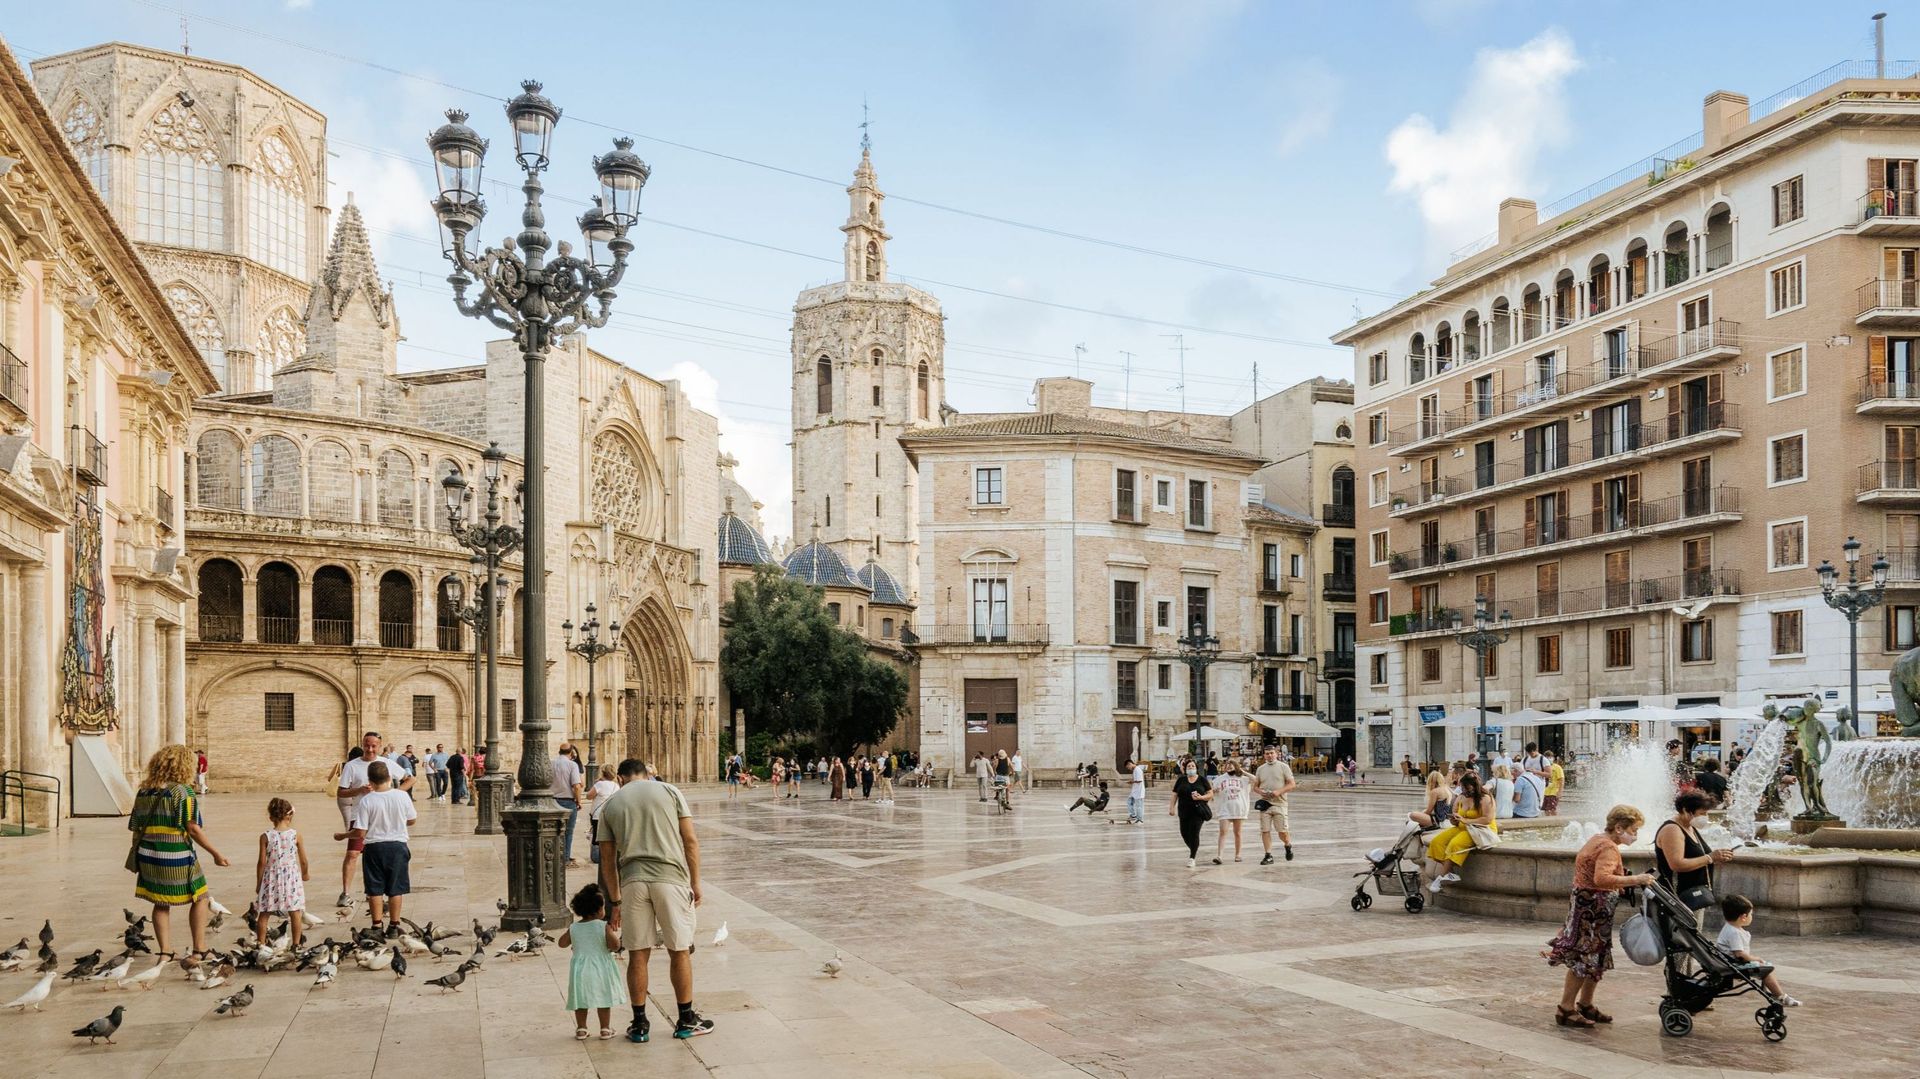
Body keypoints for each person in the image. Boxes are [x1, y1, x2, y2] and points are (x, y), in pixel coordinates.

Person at [596, 757, 714, 1042]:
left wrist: (615, 902)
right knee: (679, 949)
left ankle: (639, 1025)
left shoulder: (611, 804)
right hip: (670, 879)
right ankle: (685, 1019)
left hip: (633, 882)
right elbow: (690, 840)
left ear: (620, 779)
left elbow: (607, 861)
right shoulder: (670, 791)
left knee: (638, 953)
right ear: (646, 774)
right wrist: (695, 882)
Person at [1544, 804, 1656, 1028]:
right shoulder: (1608, 847)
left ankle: (1586, 1004)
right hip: (1593, 911)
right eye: (1633, 830)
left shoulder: (1597, 839)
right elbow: (1601, 879)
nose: (1635, 835)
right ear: (1618, 827)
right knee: (1584, 958)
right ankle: (1566, 1008)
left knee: (1595, 957)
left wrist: (1621, 880)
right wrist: (1637, 879)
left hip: (1588, 908)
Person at [128, 744, 230, 963]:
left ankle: (165, 952)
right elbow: (192, 828)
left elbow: (135, 826)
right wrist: (216, 853)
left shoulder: (143, 792)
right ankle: (199, 949)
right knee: (200, 897)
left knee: (160, 902)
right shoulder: (182, 792)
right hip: (176, 855)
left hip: (148, 855)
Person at [335, 732, 413, 909]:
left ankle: (377, 893)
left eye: (373, 746)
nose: (370, 749)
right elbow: (341, 792)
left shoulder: (386, 763)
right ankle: (345, 893)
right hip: (359, 815)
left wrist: (394, 793)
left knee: (380, 854)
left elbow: (410, 779)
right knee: (353, 853)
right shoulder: (352, 766)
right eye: (367, 745)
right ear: (362, 744)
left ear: (379, 746)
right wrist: (359, 790)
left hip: (382, 815)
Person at [344, 760, 417, 934]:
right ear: (389, 778)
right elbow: (412, 820)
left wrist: (343, 835)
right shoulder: (402, 796)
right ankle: (394, 925)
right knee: (395, 888)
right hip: (398, 847)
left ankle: (377, 926)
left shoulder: (367, 800)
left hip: (374, 848)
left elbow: (360, 832)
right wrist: (399, 821)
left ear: (370, 781)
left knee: (375, 888)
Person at [561, 883, 630, 1040]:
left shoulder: (574, 927)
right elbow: (615, 945)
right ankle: (605, 1029)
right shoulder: (603, 926)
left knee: (580, 998)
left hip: (580, 969)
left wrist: (575, 939)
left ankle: (581, 1028)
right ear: (599, 910)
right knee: (604, 997)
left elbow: (562, 943)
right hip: (601, 968)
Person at [1655, 790, 1732, 928]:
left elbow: (1697, 857)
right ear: (1686, 810)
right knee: (1681, 936)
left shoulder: (1689, 827)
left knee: (1693, 935)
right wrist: (1710, 857)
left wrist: (1715, 858)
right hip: (1678, 897)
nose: (1705, 817)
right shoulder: (1672, 829)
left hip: (1693, 896)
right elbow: (1676, 864)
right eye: (1702, 813)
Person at [1717, 895, 1800, 1006]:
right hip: (1735, 964)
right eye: (1751, 914)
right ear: (1743, 917)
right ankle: (1781, 996)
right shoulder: (1734, 933)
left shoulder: (1729, 928)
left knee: (1765, 967)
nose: (1751, 916)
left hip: (1730, 962)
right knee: (1766, 970)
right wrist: (1756, 958)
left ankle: (1777, 994)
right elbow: (1739, 954)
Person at [1425, 769, 1496, 893]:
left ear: (1474, 786)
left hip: (1480, 829)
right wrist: (1454, 820)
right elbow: (1455, 815)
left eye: (1466, 788)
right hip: (1462, 827)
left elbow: (1487, 819)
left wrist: (1465, 820)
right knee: (1437, 842)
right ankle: (1450, 872)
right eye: (1462, 787)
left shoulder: (1485, 798)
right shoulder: (1461, 797)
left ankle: (1440, 879)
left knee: (1455, 844)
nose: (1463, 790)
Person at [254, 797, 309, 954]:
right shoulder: (296, 835)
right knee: (295, 912)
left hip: (271, 878)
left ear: (271, 817)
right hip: (291, 878)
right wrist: (305, 874)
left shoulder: (265, 836)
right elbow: (303, 860)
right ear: (289, 816)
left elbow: (261, 862)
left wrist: (259, 883)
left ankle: (261, 944)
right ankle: (296, 944)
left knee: (264, 913)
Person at [1252, 746, 1297, 864]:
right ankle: (1268, 855)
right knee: (1265, 830)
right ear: (1264, 755)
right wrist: (1260, 791)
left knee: (1282, 831)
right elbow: (1255, 786)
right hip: (1265, 804)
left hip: (1280, 803)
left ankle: (1287, 845)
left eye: (1272, 753)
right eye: (1267, 753)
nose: (1270, 755)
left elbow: (1292, 784)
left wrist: (1278, 792)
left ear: (1276, 754)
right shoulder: (1260, 769)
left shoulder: (1283, 767)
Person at [1169, 759, 1213, 869]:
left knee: (1194, 833)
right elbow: (1174, 794)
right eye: (1189, 766)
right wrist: (1171, 808)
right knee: (1184, 834)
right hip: (1183, 811)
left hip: (1198, 811)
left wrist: (1201, 797)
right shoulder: (1181, 780)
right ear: (1185, 769)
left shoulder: (1202, 780)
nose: (1191, 768)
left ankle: (1192, 857)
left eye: (1193, 766)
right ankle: (1194, 848)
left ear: (1196, 768)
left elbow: (1210, 794)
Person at [552, 742, 586, 867]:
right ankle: (565, 858)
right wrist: (579, 801)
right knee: (568, 831)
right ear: (571, 752)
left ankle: (554, 856)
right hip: (568, 801)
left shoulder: (551, 763)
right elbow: (576, 786)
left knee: (554, 831)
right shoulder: (572, 765)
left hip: (552, 801)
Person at [585, 764, 621, 866]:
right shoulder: (616, 786)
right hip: (611, 814)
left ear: (603, 773)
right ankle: (609, 856)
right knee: (609, 836)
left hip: (598, 815)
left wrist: (596, 784)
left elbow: (588, 796)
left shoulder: (599, 784)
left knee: (597, 836)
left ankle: (597, 857)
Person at [1123, 758, 1146, 825]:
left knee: (1139, 805)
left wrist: (1131, 782)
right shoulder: (1135, 770)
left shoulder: (1138, 770)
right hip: (1135, 790)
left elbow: (1139, 780)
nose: (1128, 769)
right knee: (1129, 802)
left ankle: (1140, 819)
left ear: (1129, 764)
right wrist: (1132, 781)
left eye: (1128, 767)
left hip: (1139, 791)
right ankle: (1133, 815)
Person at [1543, 751, 1565, 816]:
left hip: (1554, 792)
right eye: (1546, 757)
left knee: (1553, 809)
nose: (1548, 759)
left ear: (1553, 758)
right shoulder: (1543, 768)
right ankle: (1548, 820)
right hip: (1545, 792)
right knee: (1546, 809)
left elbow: (1561, 780)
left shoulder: (1557, 767)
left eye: (1550, 757)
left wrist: (1560, 791)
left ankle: (1555, 820)